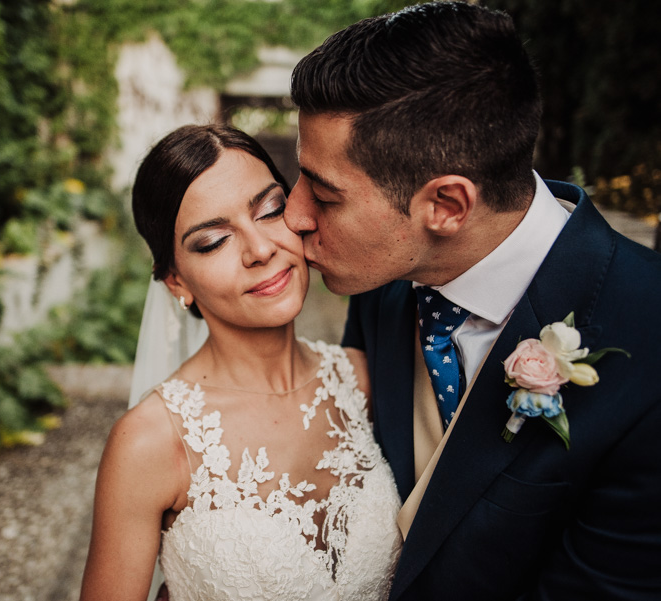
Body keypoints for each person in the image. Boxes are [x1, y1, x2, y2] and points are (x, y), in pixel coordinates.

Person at [284, 2, 661, 600]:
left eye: (325, 196)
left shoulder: (648, 345)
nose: (292, 215)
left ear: (448, 206)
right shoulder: (381, 279)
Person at [79, 124, 403, 601]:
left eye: (270, 211)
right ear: (175, 281)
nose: (260, 249)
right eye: (214, 241)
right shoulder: (150, 441)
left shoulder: (363, 380)